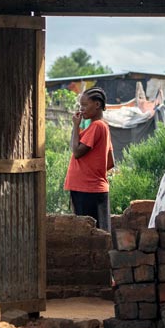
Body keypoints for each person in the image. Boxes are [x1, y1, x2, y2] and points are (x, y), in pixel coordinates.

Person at [64, 87, 115, 231]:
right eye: (80, 106)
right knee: (101, 233)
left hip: (86, 190)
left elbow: (77, 152)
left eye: (85, 105)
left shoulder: (96, 126)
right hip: (94, 189)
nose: (82, 109)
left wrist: (75, 126)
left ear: (97, 105)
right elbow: (110, 162)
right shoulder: (104, 127)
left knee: (87, 234)